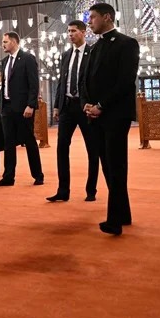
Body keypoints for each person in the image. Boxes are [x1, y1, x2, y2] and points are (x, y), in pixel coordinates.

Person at [80, 3, 140, 236]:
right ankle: (123, 213)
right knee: (107, 165)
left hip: (115, 114)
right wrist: (87, 103)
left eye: (93, 17)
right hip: (96, 115)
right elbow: (86, 79)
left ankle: (114, 221)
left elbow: (125, 81)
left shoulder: (126, 44)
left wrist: (101, 106)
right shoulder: (94, 48)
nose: (90, 22)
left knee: (116, 166)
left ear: (107, 17)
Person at [48, 20, 100, 203]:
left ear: (84, 32)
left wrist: (95, 104)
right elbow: (62, 83)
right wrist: (56, 105)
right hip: (67, 107)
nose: (70, 34)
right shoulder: (66, 55)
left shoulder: (93, 52)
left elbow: (96, 81)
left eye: (74, 31)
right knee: (61, 148)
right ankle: (63, 190)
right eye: (68, 31)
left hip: (86, 107)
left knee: (92, 150)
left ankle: (91, 190)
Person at [0, 31, 44, 187]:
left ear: (14, 42)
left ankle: (38, 175)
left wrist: (31, 105)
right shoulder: (4, 61)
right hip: (7, 107)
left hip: (23, 108)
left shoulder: (27, 58)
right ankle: (8, 177)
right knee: (8, 143)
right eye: (2, 42)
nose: (3, 45)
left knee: (29, 141)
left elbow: (34, 84)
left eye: (5, 42)